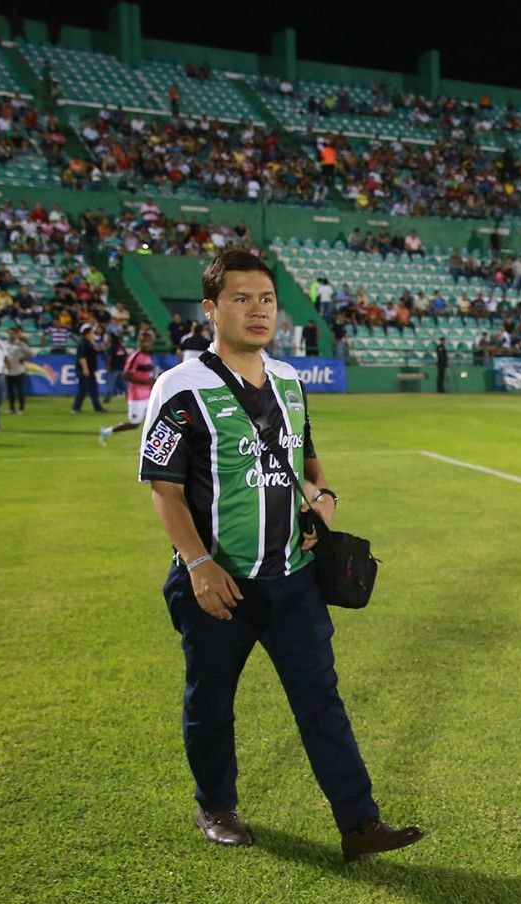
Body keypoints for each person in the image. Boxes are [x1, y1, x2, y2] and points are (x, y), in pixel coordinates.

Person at [139, 250, 422, 861]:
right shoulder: (180, 387)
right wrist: (198, 564)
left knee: (322, 701)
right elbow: (164, 486)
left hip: (294, 581)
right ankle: (215, 805)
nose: (258, 310)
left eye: (266, 298)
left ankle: (359, 823)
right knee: (210, 703)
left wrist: (322, 496)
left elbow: (304, 456)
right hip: (220, 584)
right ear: (211, 310)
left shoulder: (290, 381)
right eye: (241, 299)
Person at [100, 329, 158, 444]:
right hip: (136, 396)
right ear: (138, 342)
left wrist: (151, 384)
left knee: (155, 421)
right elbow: (126, 375)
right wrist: (146, 382)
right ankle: (107, 431)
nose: (145, 343)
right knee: (134, 423)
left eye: (147, 341)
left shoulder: (148, 356)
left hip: (148, 395)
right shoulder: (135, 356)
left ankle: (147, 446)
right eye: (142, 341)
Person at [3, 326, 32, 413]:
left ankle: (21, 408)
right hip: (8, 371)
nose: (11, 335)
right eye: (10, 333)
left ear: (16, 334)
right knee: (10, 390)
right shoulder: (5, 344)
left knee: (20, 390)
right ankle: (11, 408)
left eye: (13, 333)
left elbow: (31, 354)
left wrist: (23, 359)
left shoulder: (20, 344)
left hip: (19, 370)